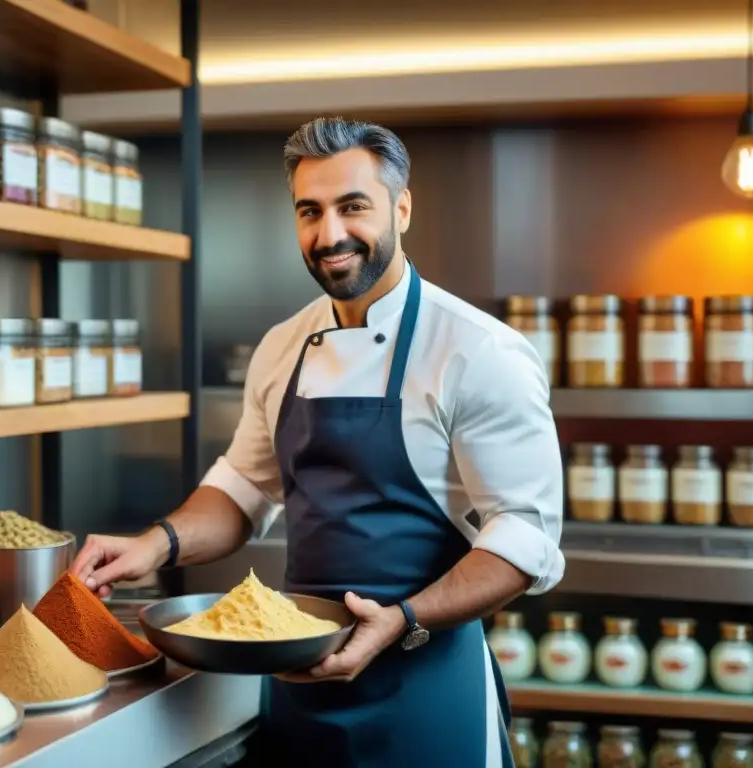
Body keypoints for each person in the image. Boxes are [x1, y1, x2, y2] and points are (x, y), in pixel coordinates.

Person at [70, 117, 564, 767]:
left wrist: (404, 620)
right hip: (295, 679)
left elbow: (522, 539)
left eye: (353, 207)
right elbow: (243, 489)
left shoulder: (477, 351)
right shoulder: (283, 345)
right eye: (310, 211)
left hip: (423, 683)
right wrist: (153, 545)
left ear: (402, 207)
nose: (329, 234)